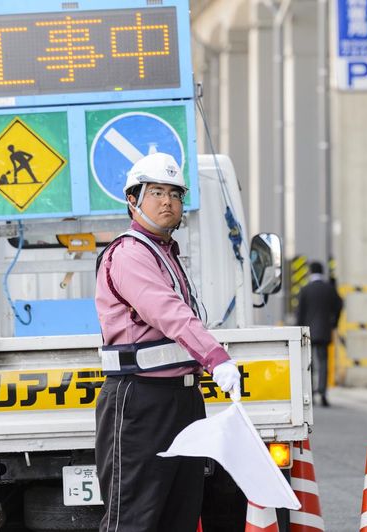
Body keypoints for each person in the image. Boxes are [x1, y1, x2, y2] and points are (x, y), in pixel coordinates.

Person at [94, 152, 242, 531]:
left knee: (180, 513)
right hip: (141, 401)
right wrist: (215, 356)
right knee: (134, 517)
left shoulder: (165, 253)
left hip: (181, 398)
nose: (167, 202)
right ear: (133, 199)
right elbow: (167, 311)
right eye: (156, 192)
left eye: (175, 195)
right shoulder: (130, 253)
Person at [296, 261, 343, 407]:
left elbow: (299, 313)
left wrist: (299, 330)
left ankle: (310, 393)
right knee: (323, 361)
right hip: (324, 330)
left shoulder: (305, 289)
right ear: (322, 272)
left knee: (309, 363)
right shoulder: (329, 289)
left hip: (308, 332)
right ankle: (322, 392)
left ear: (310, 272)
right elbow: (339, 305)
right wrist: (334, 321)